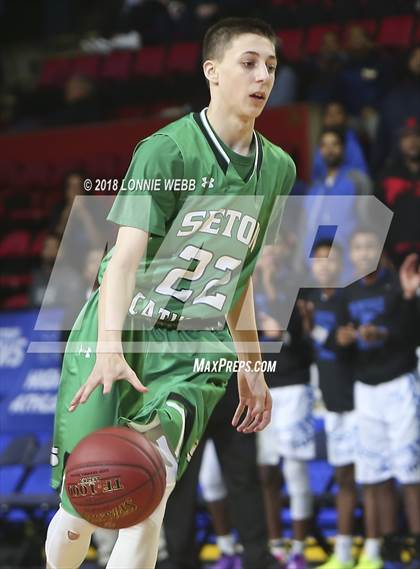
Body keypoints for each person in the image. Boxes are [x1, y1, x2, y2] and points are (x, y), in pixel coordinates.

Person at [44, 17, 296, 569]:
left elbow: (241, 274)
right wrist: (109, 346)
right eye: (249, 63)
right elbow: (125, 260)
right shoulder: (164, 152)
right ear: (212, 72)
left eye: (271, 67)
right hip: (118, 330)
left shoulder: (278, 168)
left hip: (192, 352)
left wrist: (250, 365)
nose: (263, 77)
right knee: (85, 504)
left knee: (144, 495)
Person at [336, 230, 420, 569]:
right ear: (352, 255)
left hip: (399, 385)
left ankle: (415, 546)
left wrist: (384, 328)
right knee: (376, 472)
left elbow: (410, 331)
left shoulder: (397, 286)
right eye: (358, 247)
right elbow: (335, 340)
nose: (364, 252)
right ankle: (388, 549)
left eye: (370, 245)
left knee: (410, 472)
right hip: (364, 389)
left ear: (381, 253)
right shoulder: (347, 293)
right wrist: (340, 338)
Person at [298, 240, 361, 569]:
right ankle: (346, 552)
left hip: (357, 402)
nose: (323, 266)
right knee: (344, 476)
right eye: (317, 261)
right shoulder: (310, 299)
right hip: (332, 401)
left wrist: (333, 335)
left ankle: (370, 549)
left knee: (361, 478)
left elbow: (346, 339)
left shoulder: (349, 298)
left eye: (330, 260)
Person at [375, 118, 420, 267]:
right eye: (406, 136)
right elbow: (376, 216)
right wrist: (381, 252)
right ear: (399, 142)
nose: (412, 141)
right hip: (395, 256)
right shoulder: (387, 176)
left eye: (416, 135)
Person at [312, 101, 368, 181]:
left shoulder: (351, 143)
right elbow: (315, 178)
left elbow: (362, 175)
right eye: (329, 114)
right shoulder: (321, 141)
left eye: (337, 113)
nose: (333, 118)